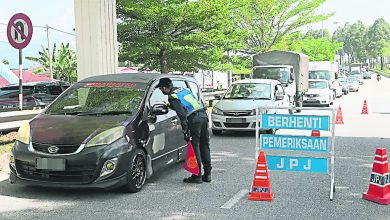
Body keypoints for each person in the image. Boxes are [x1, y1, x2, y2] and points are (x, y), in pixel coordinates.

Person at [157, 78, 212, 183]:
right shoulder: (183, 89)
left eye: (161, 89)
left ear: (164, 88)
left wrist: (185, 129)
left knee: (194, 147)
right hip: (203, 116)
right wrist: (172, 106)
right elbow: (188, 104)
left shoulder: (172, 96)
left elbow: (182, 114)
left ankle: (197, 176)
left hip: (194, 120)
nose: (161, 91)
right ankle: (208, 174)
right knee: (204, 145)